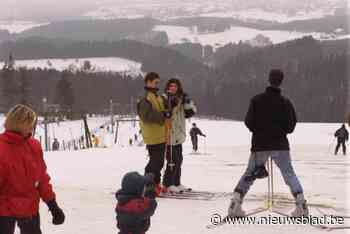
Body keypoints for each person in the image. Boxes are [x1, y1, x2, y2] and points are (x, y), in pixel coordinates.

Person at [228, 69, 308, 218]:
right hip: (280, 145)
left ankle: (235, 205)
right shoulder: (285, 102)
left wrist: (260, 131)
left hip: (260, 144)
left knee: (250, 174)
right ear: (281, 81)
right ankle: (301, 205)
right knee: (289, 174)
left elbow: (248, 122)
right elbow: (291, 126)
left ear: (268, 80)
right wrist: (279, 130)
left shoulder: (256, 100)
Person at [0, 104, 65, 234]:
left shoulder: (34, 146)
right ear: (19, 124)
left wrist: (53, 206)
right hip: (4, 211)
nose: (32, 128)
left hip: (30, 210)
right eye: (30, 124)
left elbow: (41, 179)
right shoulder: (2, 148)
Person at [162, 78, 197, 193]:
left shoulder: (181, 99)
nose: (173, 88)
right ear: (167, 87)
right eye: (171, 86)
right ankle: (168, 183)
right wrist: (171, 104)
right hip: (169, 133)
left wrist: (188, 102)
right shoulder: (165, 98)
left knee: (179, 160)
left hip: (179, 133)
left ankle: (176, 182)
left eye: (175, 86)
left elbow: (190, 112)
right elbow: (164, 113)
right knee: (172, 160)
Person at [137, 72, 169, 196]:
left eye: (158, 82)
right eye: (155, 82)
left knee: (159, 162)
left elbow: (163, 109)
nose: (157, 84)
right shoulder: (145, 97)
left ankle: (155, 183)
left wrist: (167, 110)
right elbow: (146, 116)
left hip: (160, 134)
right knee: (155, 162)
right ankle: (147, 184)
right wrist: (163, 116)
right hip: (152, 136)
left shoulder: (157, 96)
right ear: (148, 82)